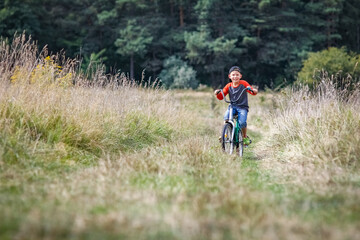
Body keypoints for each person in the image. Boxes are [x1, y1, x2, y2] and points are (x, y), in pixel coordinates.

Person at [214, 66, 258, 146]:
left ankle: (244, 137)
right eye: (233, 75)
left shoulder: (243, 83)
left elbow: (251, 90)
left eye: (237, 75)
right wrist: (217, 93)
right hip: (232, 106)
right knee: (226, 118)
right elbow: (221, 96)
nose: (235, 77)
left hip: (242, 107)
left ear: (240, 76)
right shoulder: (228, 86)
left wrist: (254, 91)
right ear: (229, 76)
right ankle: (225, 134)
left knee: (242, 122)